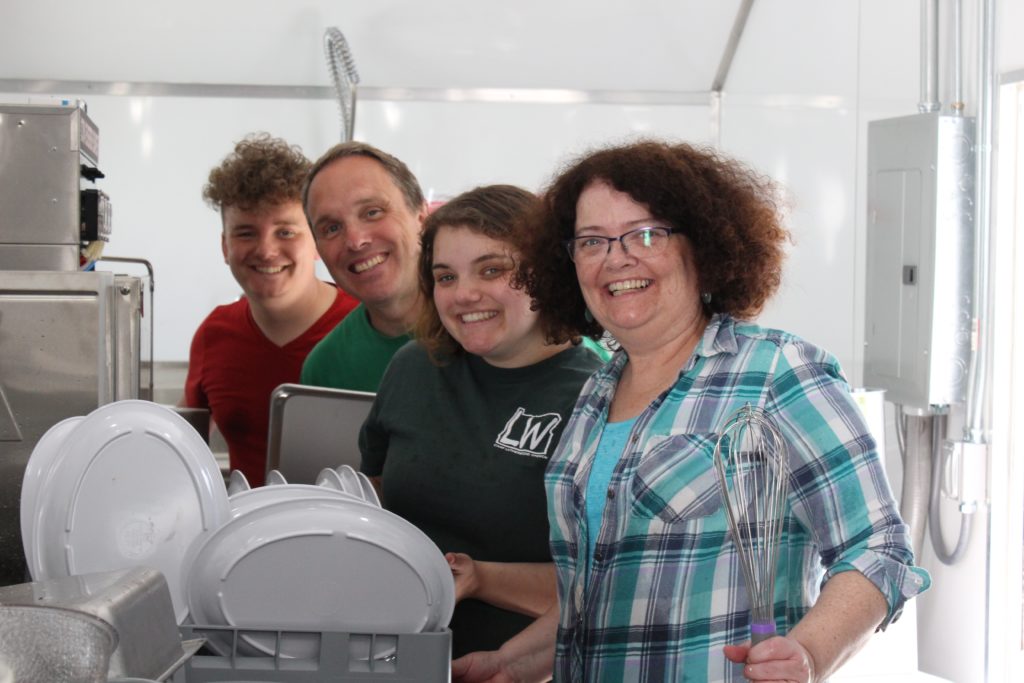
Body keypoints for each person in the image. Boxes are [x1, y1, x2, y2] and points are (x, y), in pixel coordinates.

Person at [454, 141, 931, 683]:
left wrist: (810, 653)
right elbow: (594, 601)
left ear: (703, 247)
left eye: (647, 234)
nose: (616, 257)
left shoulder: (777, 371)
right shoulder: (593, 396)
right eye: (592, 242)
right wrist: (508, 665)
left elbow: (880, 550)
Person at [358, 185, 607, 659]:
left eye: (492, 270)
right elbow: (377, 487)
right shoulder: (414, 367)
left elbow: (613, 587)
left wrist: (482, 578)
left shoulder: (595, 397)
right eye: (445, 277)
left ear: (547, 274)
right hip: (393, 651)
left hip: (520, 665)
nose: (465, 294)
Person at [184, 133, 358, 486]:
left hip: (348, 535)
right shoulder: (214, 334)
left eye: (286, 232)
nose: (266, 250)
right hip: (247, 535)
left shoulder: (365, 325)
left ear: (316, 242)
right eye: (246, 233)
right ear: (225, 246)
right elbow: (184, 453)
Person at [299, 142, 428, 391]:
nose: (356, 241)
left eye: (372, 212)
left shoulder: (485, 330)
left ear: (421, 218)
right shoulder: (326, 368)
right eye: (332, 228)